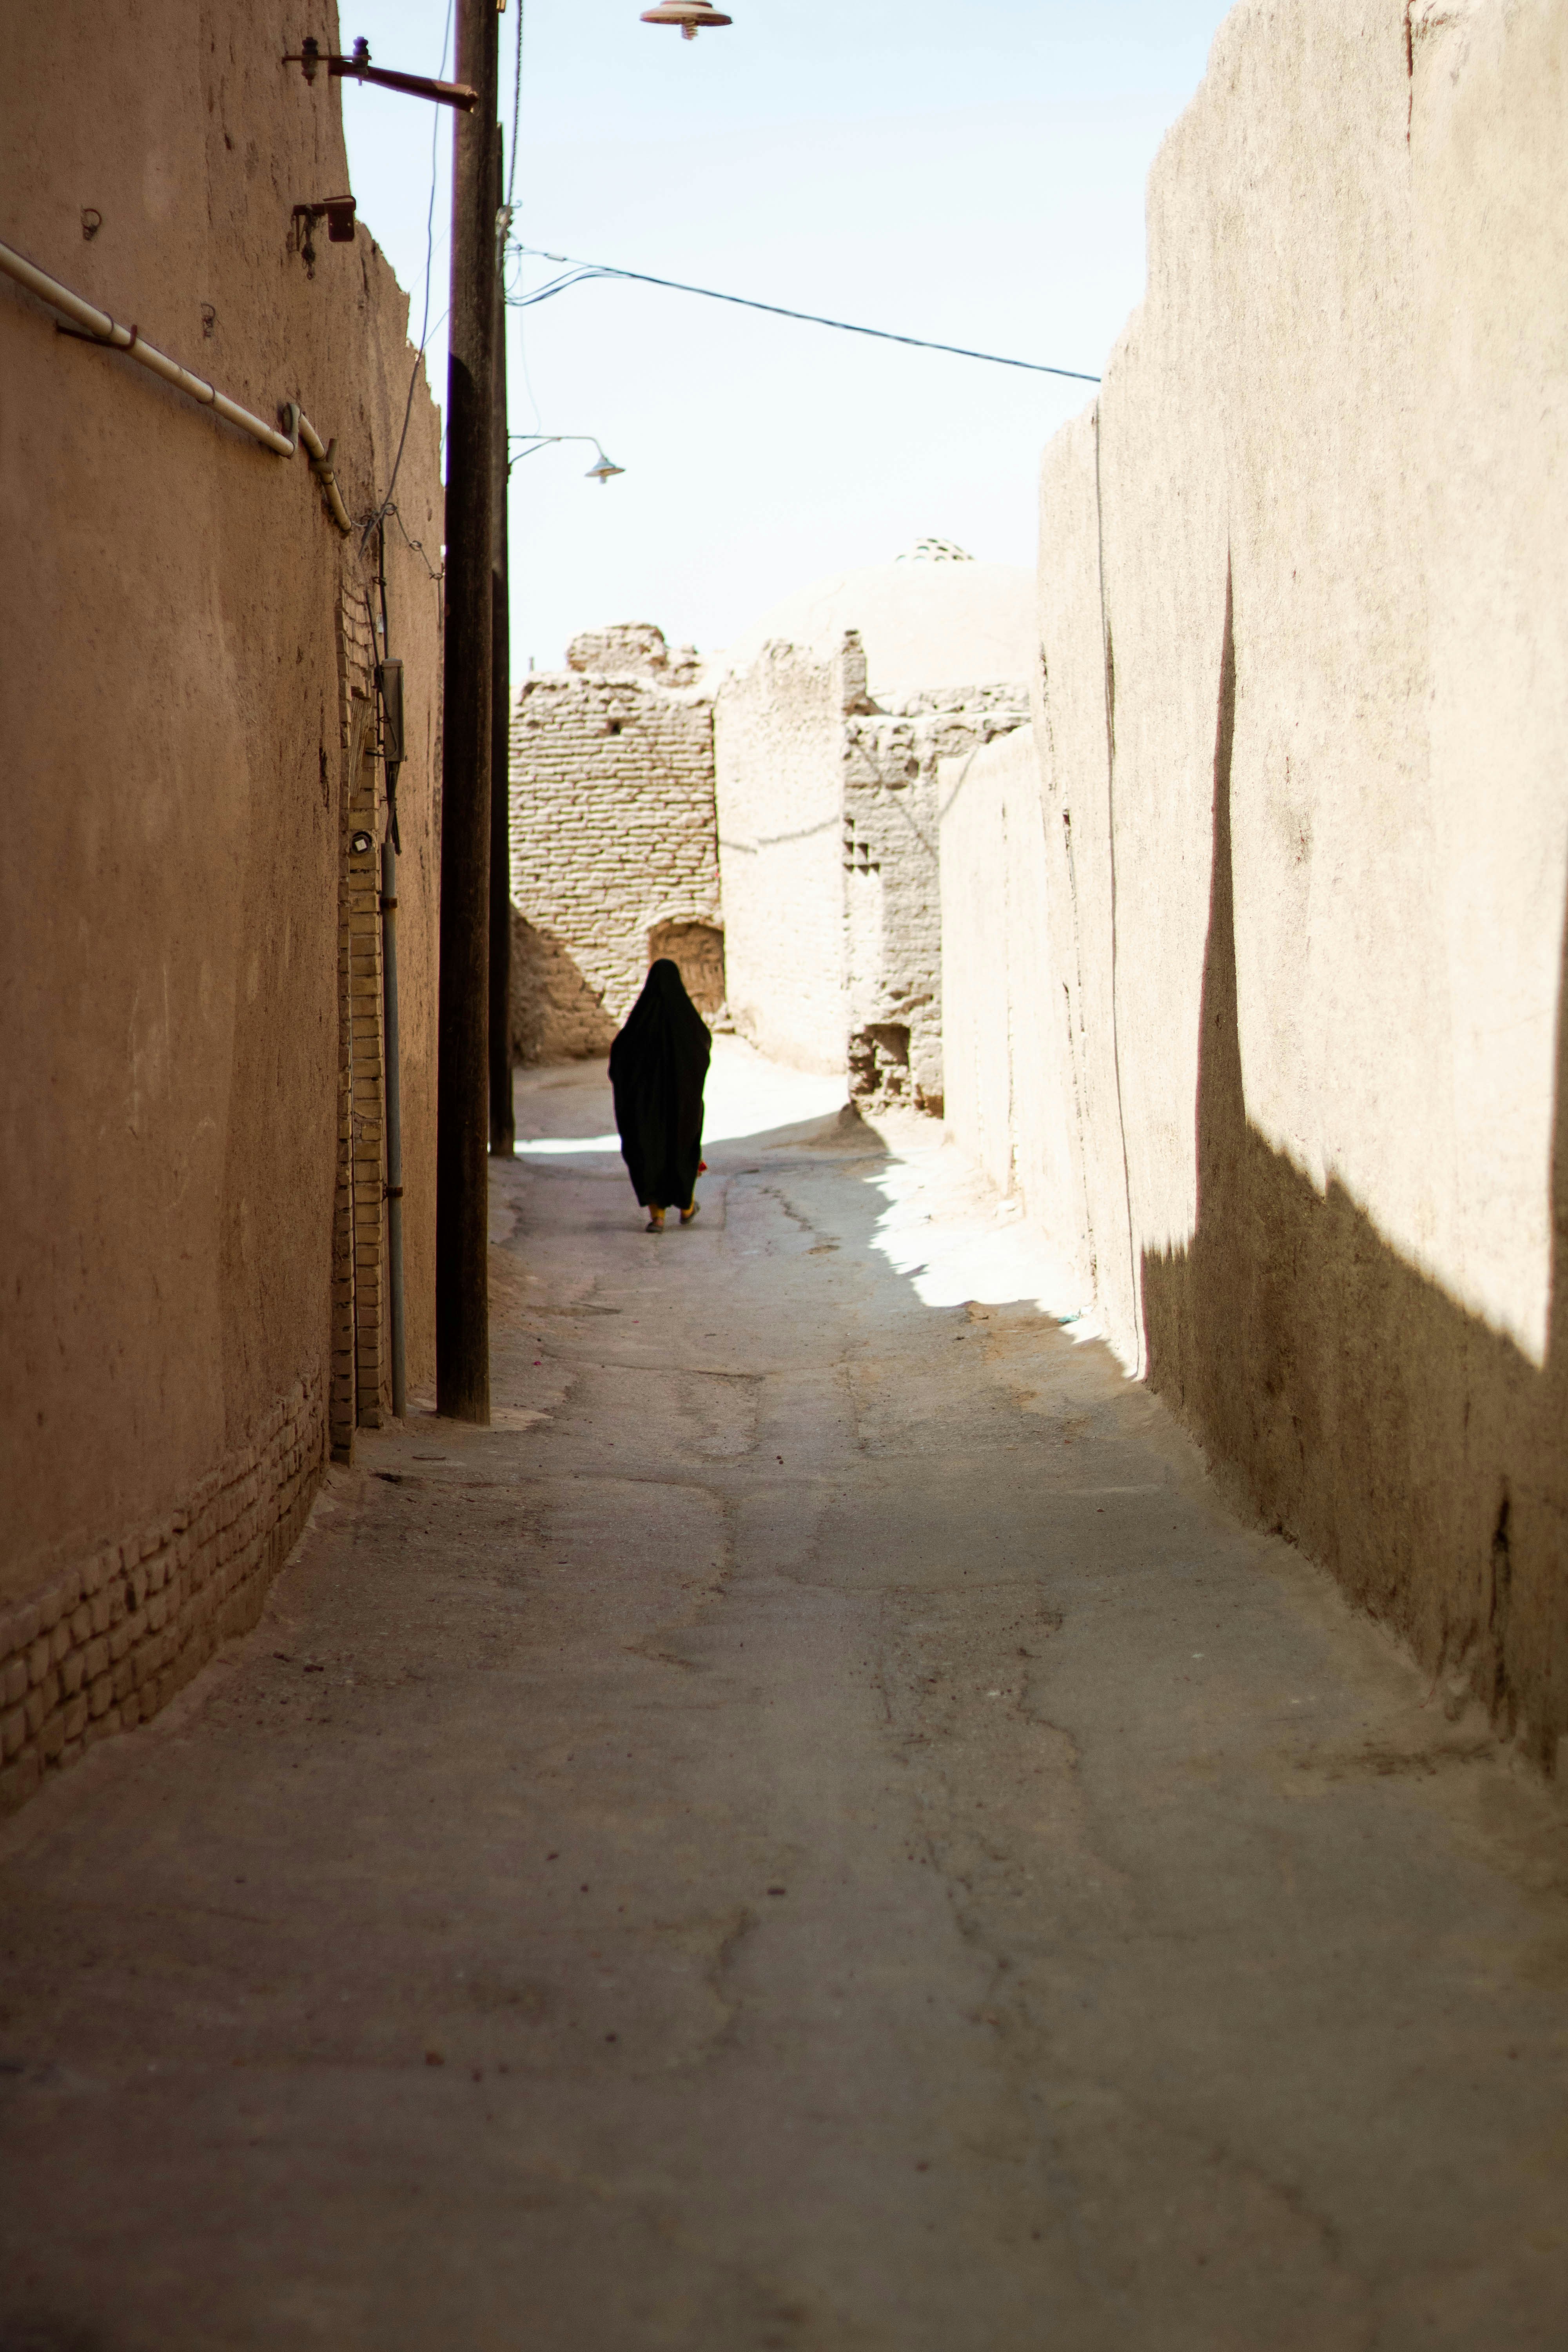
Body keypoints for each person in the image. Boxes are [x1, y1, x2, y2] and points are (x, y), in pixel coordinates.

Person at [608, 958, 711, 1232]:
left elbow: (620, 1057)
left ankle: (659, 1218)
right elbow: (702, 1050)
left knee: (649, 1152)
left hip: (645, 1110)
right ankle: (687, 1208)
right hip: (681, 1107)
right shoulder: (687, 1023)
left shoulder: (640, 1023)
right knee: (681, 1150)